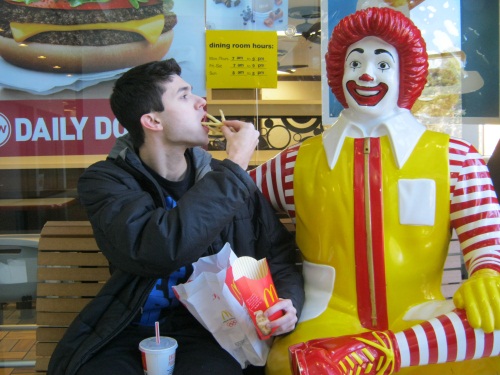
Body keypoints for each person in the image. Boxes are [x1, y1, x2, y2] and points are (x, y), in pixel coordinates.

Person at [249, 6, 500, 375]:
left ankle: (379, 351)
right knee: (290, 365)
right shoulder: (295, 164)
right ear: (339, 73)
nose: (366, 74)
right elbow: (235, 202)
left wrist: (486, 277)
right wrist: (261, 288)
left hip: (423, 321)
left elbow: (486, 245)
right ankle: (379, 352)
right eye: (355, 63)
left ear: (407, 74)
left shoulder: (456, 160)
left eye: (383, 64)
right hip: (326, 320)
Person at [47, 58, 304, 375]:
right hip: (129, 328)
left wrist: (286, 304)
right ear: (153, 121)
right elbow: (159, 249)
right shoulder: (106, 182)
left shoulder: (232, 183)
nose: (202, 103)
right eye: (184, 96)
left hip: (214, 332)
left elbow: (277, 254)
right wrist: (235, 164)